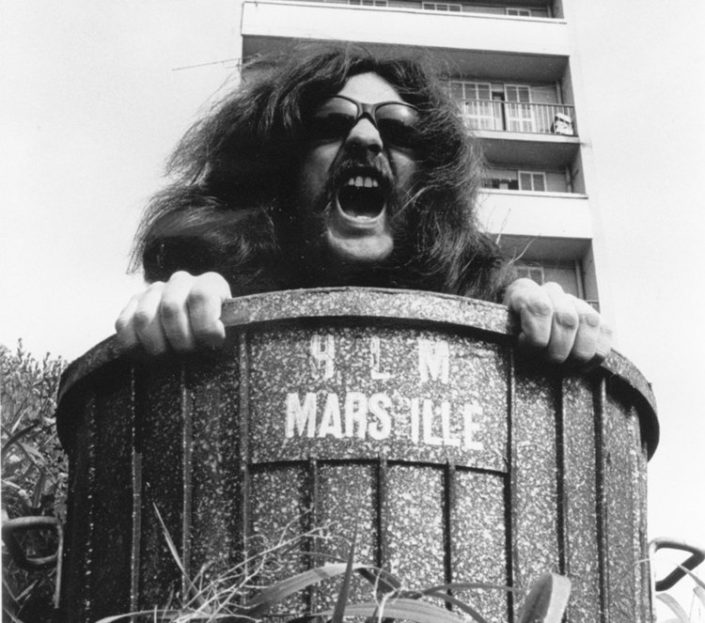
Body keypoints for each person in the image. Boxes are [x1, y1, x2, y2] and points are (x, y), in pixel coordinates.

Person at [115, 44, 610, 364]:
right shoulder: (215, 303)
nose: (366, 139)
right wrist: (183, 304)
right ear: (280, 170)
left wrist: (537, 313)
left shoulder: (487, 294)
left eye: (397, 130)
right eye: (330, 124)